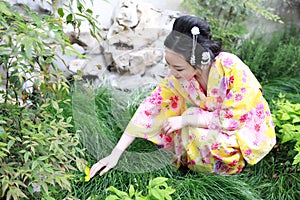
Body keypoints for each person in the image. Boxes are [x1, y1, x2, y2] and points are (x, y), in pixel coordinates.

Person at [90, 15, 276, 177]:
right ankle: (201, 164)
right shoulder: (177, 79)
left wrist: (186, 120)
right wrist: (116, 153)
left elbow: (233, 120)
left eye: (178, 68)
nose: (172, 72)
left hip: (242, 128)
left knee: (191, 125)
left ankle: (229, 167)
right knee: (188, 126)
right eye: (168, 65)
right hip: (211, 121)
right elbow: (150, 108)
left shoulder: (230, 67)